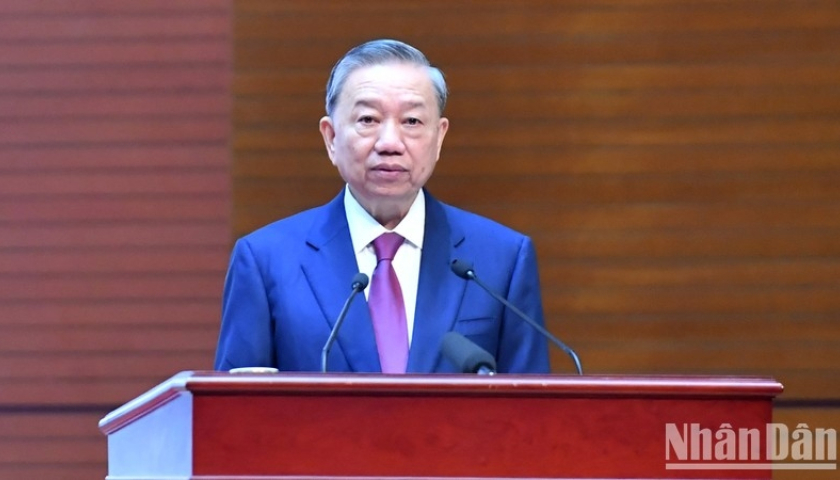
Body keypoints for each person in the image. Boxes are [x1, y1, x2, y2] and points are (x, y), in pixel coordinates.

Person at [214, 39, 550, 374]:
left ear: (439, 138)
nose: (390, 143)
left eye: (412, 121)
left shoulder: (502, 259)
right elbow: (233, 404)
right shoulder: (265, 261)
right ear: (331, 138)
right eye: (368, 119)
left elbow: (532, 402)